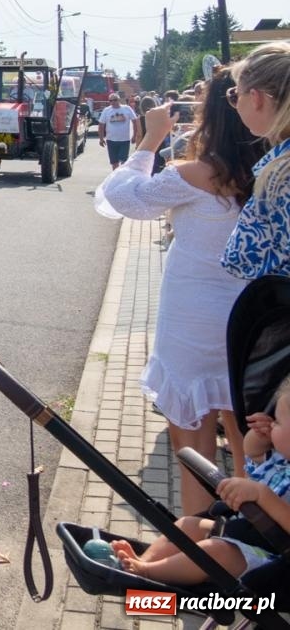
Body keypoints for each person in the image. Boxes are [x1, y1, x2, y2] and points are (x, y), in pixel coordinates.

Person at [95, 78, 263, 514]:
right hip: (254, 322)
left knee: (194, 445)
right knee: (249, 440)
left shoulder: (196, 173)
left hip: (193, 322)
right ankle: (252, 531)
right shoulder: (272, 170)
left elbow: (121, 199)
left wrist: (150, 137)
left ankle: (196, 531)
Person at [111, 374, 290, 583]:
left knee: (216, 552)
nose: (271, 423)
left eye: (277, 421)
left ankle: (147, 573)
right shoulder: (280, 461)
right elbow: (253, 454)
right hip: (242, 531)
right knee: (188, 524)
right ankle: (142, 560)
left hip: (273, 558)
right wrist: (259, 437)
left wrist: (262, 495)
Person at [223, 41, 290, 282]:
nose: (234, 104)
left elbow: (238, 259)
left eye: (234, 95)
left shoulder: (283, 174)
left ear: (256, 98)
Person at [98, 92, 138, 169]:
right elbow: (101, 125)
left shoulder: (127, 108)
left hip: (124, 140)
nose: (113, 102)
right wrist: (101, 138)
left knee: (124, 161)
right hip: (111, 140)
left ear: (119, 100)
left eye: (115, 100)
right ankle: (116, 178)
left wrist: (134, 135)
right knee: (114, 162)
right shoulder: (106, 110)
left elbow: (135, 121)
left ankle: (122, 177)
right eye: (111, 101)